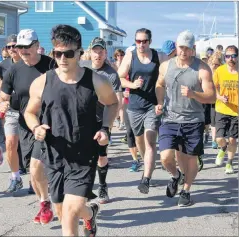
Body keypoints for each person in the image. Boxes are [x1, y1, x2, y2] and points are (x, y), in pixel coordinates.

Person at [24, 24, 118, 236]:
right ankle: (90, 214)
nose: (63, 58)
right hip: (54, 155)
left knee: (69, 213)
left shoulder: (95, 80)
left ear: (79, 53)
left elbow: (112, 103)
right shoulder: (42, 82)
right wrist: (36, 127)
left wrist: (105, 128)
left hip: (83, 155)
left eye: (68, 54)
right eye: (58, 53)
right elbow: (29, 112)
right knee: (62, 208)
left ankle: (84, 213)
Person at [0, 29, 55, 224]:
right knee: (34, 169)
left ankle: (58, 199)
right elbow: (2, 97)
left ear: (37, 45)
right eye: (20, 47)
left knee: (42, 167)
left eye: (27, 47)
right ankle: (44, 202)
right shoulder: (14, 70)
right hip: (26, 125)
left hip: (52, 122)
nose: (22, 51)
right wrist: (2, 104)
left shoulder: (51, 65)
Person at [155, 30, 216, 206]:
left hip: (193, 121)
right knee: (165, 157)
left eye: (187, 48)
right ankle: (176, 176)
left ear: (193, 49)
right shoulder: (166, 66)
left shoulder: (202, 68)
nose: (183, 51)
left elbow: (211, 96)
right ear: (176, 46)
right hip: (170, 118)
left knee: (190, 158)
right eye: (180, 47)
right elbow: (159, 83)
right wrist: (159, 101)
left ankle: (186, 190)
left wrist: (194, 94)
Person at [118, 28, 167, 194]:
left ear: (150, 41)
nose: (141, 44)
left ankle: (146, 179)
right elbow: (120, 77)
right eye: (138, 41)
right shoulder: (130, 56)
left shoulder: (158, 56)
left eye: (144, 41)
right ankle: (148, 163)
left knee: (150, 141)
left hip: (152, 106)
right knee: (140, 142)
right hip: (134, 106)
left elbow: (171, 70)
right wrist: (132, 85)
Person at [80, 37, 122, 204]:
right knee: (83, 155)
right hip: (82, 118)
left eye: (101, 51)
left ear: (105, 53)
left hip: (101, 120)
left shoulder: (111, 74)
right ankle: (84, 187)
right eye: (95, 51)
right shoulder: (82, 67)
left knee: (101, 156)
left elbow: (116, 101)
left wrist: (108, 125)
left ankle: (102, 185)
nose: (98, 54)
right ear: (90, 52)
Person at [0, 34, 27, 192]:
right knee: (10, 143)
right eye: (9, 47)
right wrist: (1, 103)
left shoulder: (29, 63)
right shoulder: (4, 65)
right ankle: (15, 177)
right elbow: (1, 88)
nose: (12, 49)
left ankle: (36, 178)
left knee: (31, 148)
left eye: (15, 46)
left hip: (29, 111)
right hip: (11, 111)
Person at [214, 45, 238, 174]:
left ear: (237, 56)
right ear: (225, 57)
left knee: (233, 139)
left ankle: (229, 163)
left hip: (236, 111)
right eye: (228, 56)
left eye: (233, 55)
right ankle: (223, 148)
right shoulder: (220, 71)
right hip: (221, 108)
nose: (230, 59)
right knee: (219, 138)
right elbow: (213, 87)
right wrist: (219, 97)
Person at [207, 52, 223, 149]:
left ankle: (218, 139)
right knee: (212, 120)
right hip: (212, 100)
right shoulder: (209, 73)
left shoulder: (222, 72)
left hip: (221, 100)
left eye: (217, 64)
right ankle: (214, 140)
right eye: (213, 64)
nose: (214, 66)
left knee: (218, 121)